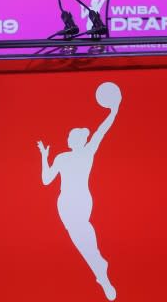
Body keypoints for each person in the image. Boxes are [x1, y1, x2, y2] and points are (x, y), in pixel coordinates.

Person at [36, 81, 122, 301]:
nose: (67, 139)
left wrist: (114, 111)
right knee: (81, 237)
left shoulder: (86, 152)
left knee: (82, 237)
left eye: (70, 137)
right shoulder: (63, 157)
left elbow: (101, 131)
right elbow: (46, 180)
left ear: (77, 140)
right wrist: (44, 157)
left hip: (79, 202)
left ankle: (101, 271)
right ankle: (100, 268)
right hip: (66, 204)